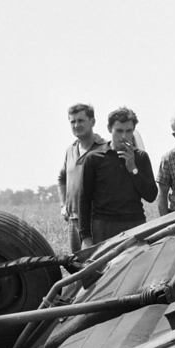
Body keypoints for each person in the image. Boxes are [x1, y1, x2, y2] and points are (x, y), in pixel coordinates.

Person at [77, 108, 157, 246]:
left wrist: (133, 168)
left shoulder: (141, 157)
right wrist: (85, 237)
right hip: (104, 227)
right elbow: (84, 200)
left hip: (135, 224)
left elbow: (151, 195)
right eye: (119, 131)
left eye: (129, 131)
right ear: (109, 129)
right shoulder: (94, 158)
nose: (124, 136)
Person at [57, 103, 107, 251]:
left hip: (97, 219)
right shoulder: (70, 150)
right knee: (76, 264)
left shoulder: (104, 148)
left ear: (92, 122)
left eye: (80, 120)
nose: (76, 125)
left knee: (98, 264)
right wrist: (63, 205)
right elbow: (61, 178)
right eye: (72, 121)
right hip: (74, 219)